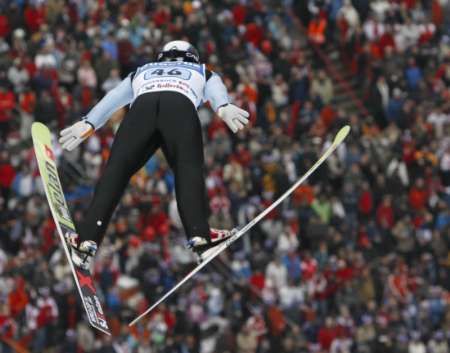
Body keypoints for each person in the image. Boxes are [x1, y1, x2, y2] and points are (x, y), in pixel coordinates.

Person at [59, 40, 250, 269]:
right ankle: (200, 237)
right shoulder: (201, 70)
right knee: (187, 169)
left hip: (142, 109)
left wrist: (89, 123)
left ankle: (87, 239)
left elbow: (113, 98)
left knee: (116, 171)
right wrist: (223, 106)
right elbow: (215, 87)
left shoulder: (142, 70)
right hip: (180, 106)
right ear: (191, 57)